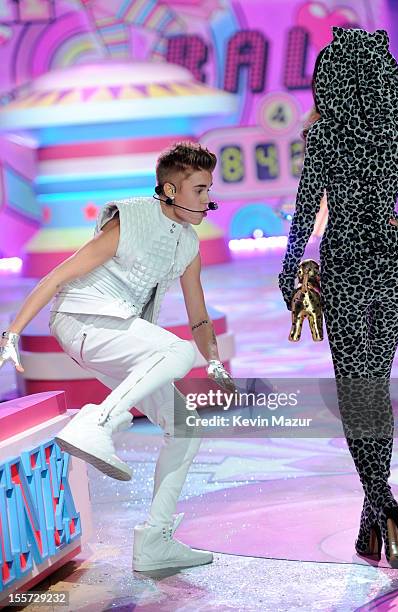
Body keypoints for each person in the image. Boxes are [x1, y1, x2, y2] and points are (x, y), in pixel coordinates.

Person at [0, 141, 236, 572]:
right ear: (169, 190)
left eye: (208, 189)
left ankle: (155, 540)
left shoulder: (188, 244)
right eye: (199, 190)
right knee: (175, 350)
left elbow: (198, 315)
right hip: (81, 318)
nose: (208, 199)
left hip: (119, 330)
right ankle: (98, 423)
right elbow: (59, 275)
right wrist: (12, 332)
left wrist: (214, 360)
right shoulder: (131, 218)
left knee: (185, 427)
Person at [278, 27, 398, 569]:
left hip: (345, 267)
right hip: (391, 268)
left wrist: (291, 269)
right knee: (374, 392)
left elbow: (302, 215)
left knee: (357, 392)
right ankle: (373, 524)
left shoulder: (324, 138)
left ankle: (385, 507)